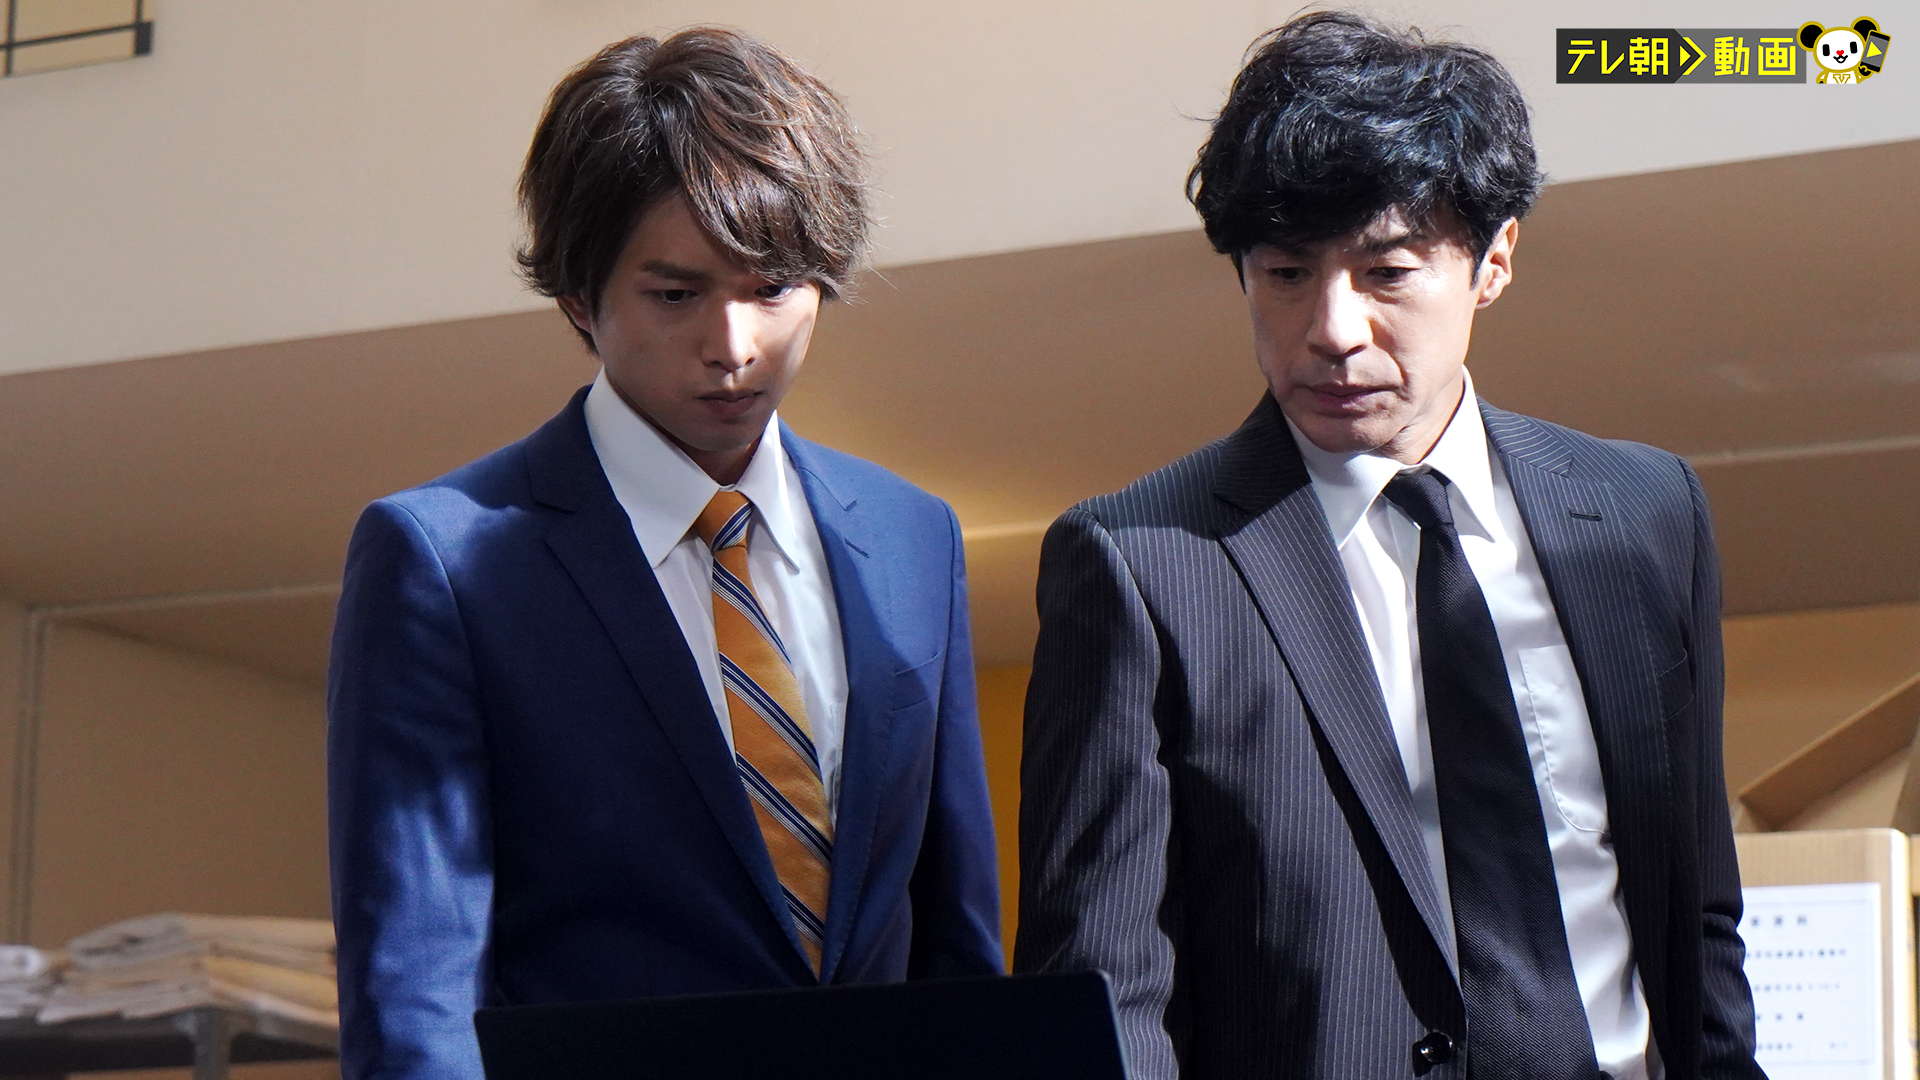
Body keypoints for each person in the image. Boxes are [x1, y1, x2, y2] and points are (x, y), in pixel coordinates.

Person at [1014, 12, 1763, 1079]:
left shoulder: (1646, 511)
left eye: (1387, 273)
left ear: (1493, 261)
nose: (1332, 329)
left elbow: (1697, 909)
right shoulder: (1140, 561)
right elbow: (1102, 983)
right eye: (1285, 274)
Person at [327, 28, 1001, 1077]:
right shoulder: (444, 561)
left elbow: (955, 944)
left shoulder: (914, 535)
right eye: (677, 295)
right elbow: (416, 990)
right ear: (579, 297)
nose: (734, 348)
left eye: (773, 288)